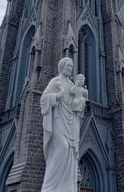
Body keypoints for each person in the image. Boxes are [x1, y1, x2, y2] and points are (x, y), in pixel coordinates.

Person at [40, 57, 87, 192]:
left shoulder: (72, 85)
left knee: (70, 154)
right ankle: (50, 188)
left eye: (72, 66)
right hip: (58, 120)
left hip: (70, 122)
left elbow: (74, 104)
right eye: (68, 66)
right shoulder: (55, 81)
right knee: (63, 148)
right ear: (62, 67)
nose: (70, 68)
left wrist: (81, 101)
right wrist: (58, 95)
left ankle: (66, 187)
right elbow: (44, 98)